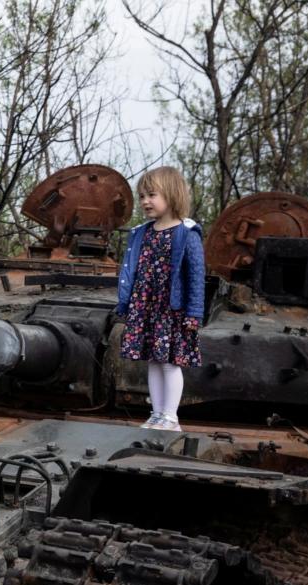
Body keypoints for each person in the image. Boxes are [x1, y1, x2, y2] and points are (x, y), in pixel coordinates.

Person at [115, 166, 205, 432]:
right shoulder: (142, 233)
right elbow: (130, 269)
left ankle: (171, 417)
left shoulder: (187, 233)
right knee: (153, 360)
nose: (145, 201)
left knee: (170, 362)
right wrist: (126, 303)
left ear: (172, 194)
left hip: (171, 309)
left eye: (152, 195)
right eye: (142, 196)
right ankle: (156, 414)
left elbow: (196, 275)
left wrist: (194, 312)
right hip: (146, 306)